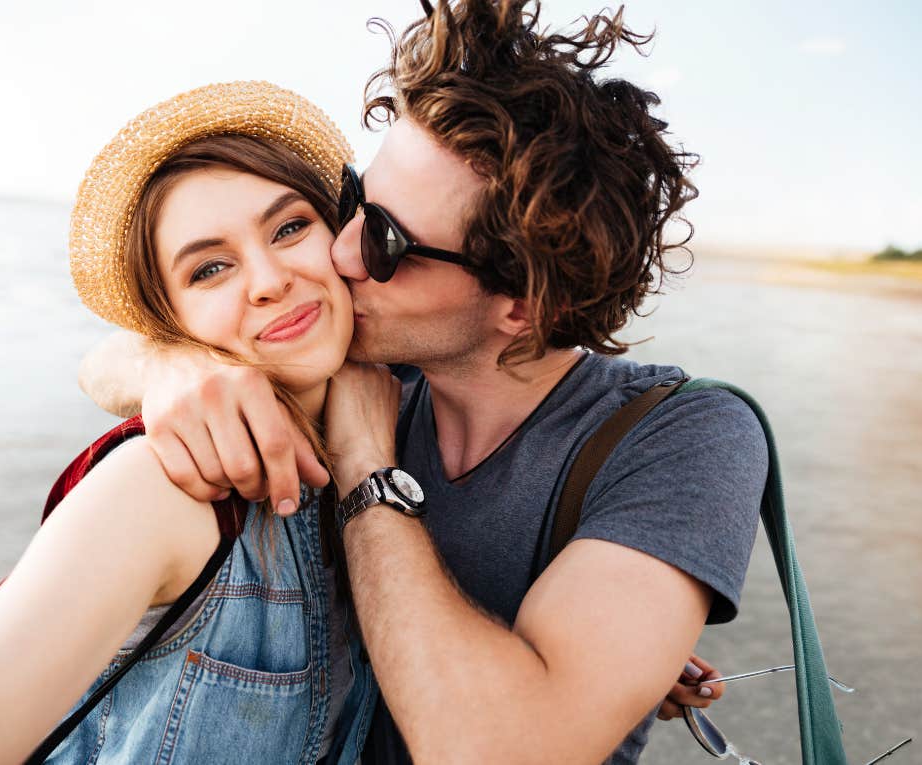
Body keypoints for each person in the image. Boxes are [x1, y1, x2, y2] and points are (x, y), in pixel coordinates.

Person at [78, 3, 766, 763]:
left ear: (525, 305)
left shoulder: (683, 437)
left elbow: (495, 749)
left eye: (385, 240)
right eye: (351, 201)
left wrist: (367, 471)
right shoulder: (366, 351)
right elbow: (103, 360)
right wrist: (174, 365)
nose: (337, 253)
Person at [0, 81, 377, 765]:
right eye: (210, 269)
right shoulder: (163, 486)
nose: (267, 279)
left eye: (290, 227)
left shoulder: (404, 420)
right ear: (172, 327)